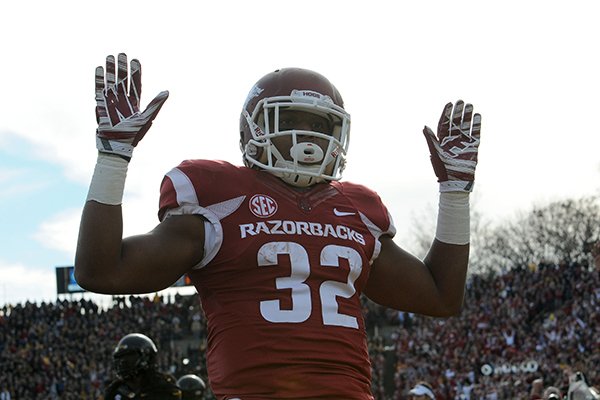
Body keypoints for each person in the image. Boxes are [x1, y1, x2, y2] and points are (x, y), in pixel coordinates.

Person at [75, 53, 481, 399]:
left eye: (321, 125)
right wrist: (113, 155)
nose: (308, 136)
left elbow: (440, 296)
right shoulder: (219, 198)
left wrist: (455, 193)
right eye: (291, 118)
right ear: (255, 125)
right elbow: (101, 270)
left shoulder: (358, 208)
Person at [104, 333, 182, 399]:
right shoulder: (114, 391)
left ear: (146, 357)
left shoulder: (164, 390)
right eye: (121, 358)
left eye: (129, 357)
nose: (123, 362)